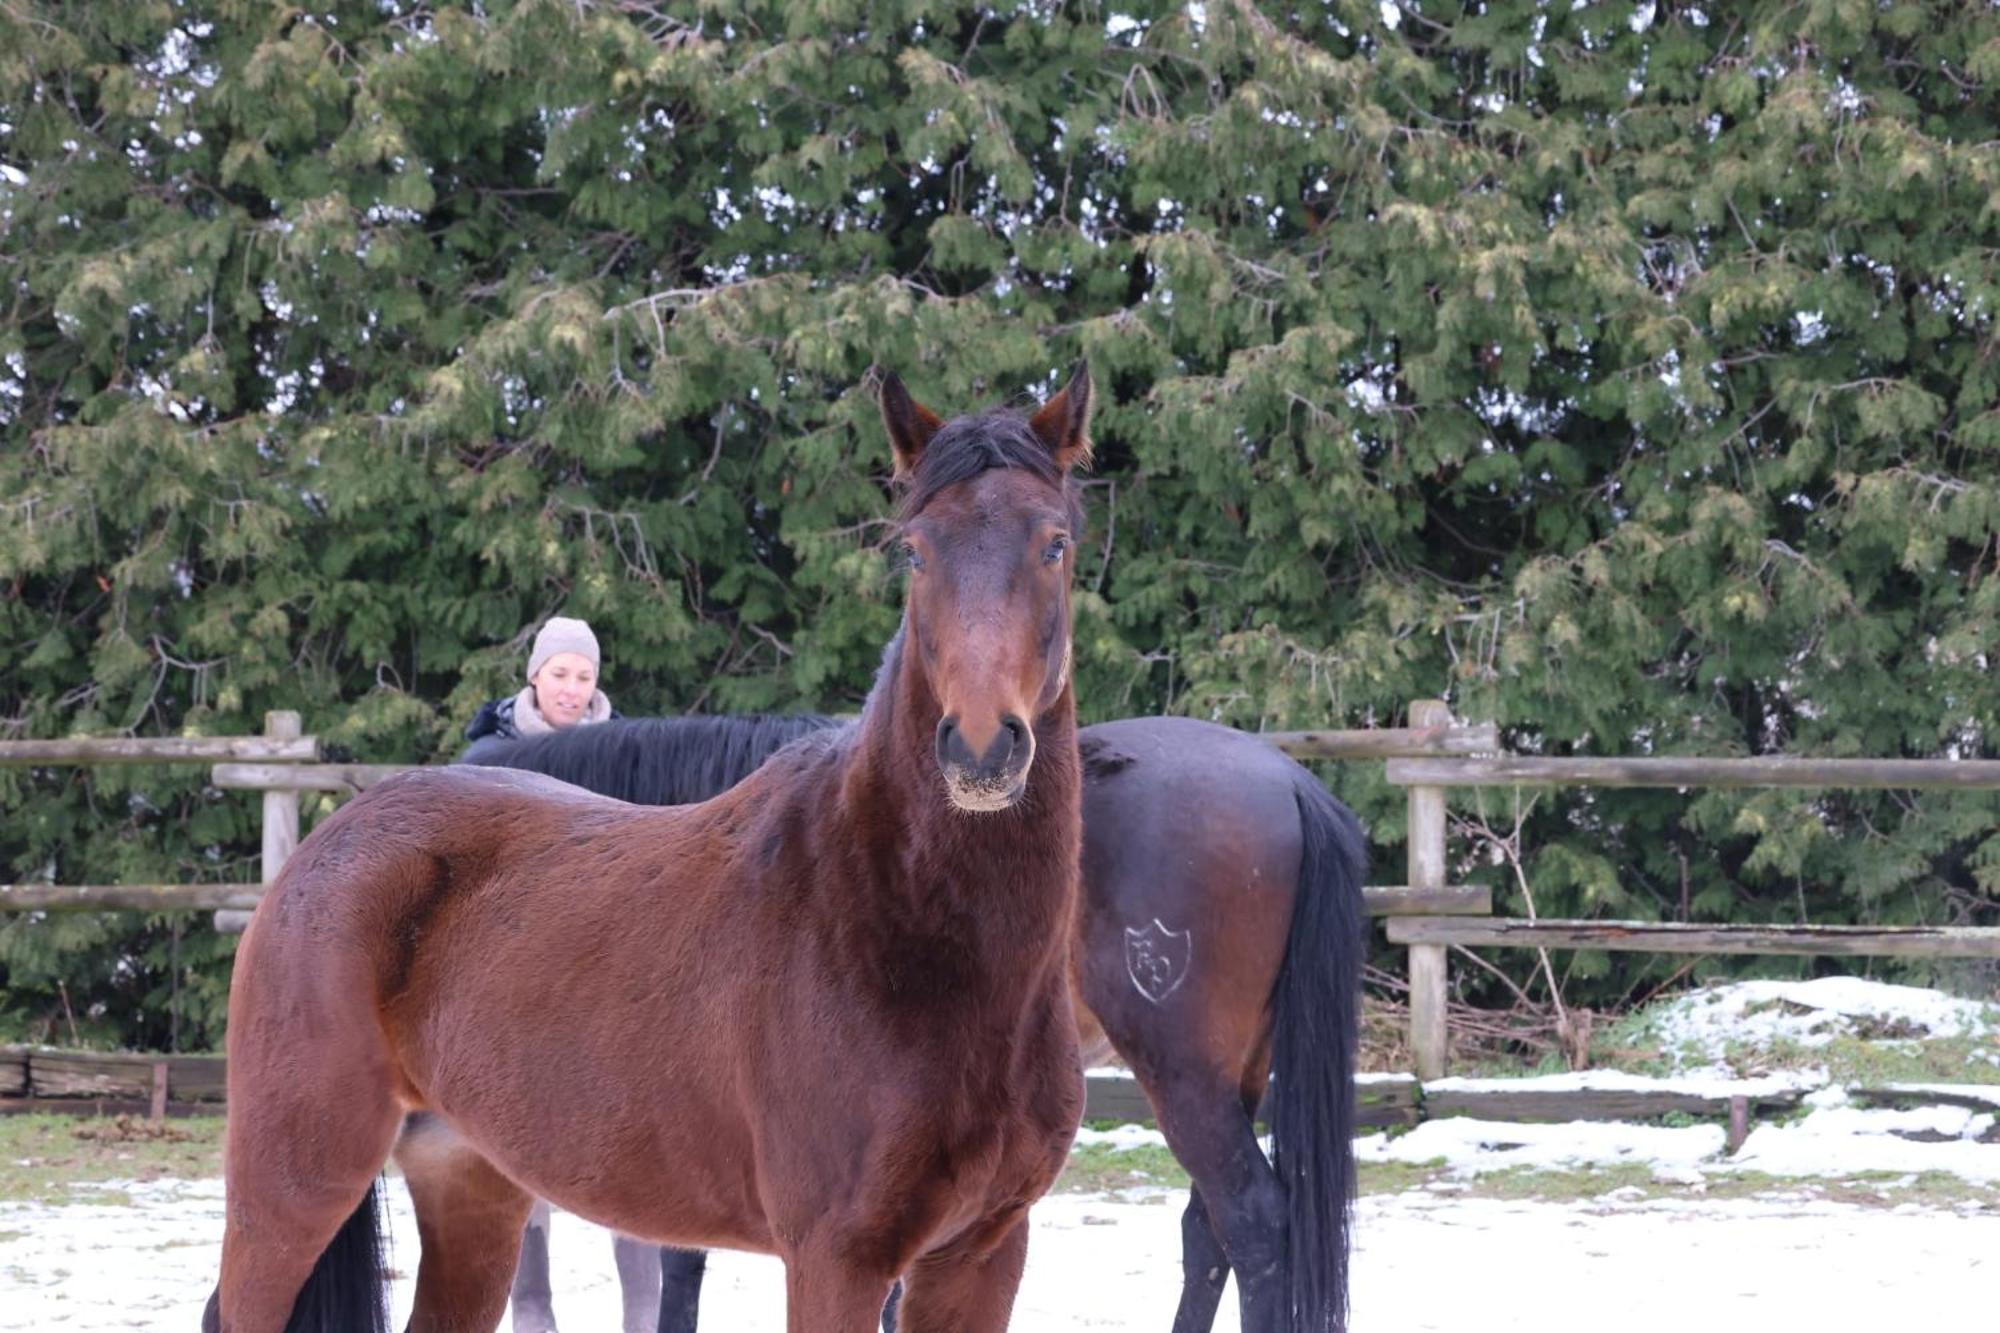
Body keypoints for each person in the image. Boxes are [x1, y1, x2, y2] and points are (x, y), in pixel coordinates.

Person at [465, 615, 615, 743]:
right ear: (535, 676)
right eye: (559, 675)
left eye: (584, 678)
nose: (571, 689)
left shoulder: (622, 754)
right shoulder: (492, 756)